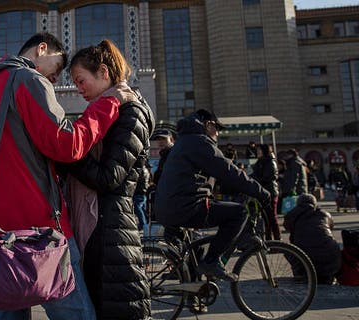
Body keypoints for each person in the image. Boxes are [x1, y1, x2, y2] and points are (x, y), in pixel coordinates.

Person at [0, 32, 124, 319]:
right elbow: (66, 144)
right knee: (74, 314)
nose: (56, 78)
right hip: (39, 230)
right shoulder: (29, 80)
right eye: (58, 68)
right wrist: (109, 104)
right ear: (42, 49)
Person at [65, 39, 153, 319]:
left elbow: (109, 177)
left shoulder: (131, 112)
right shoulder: (108, 111)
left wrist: (69, 154)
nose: (79, 90)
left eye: (81, 81)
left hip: (111, 230)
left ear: (103, 72)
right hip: (101, 229)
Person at [154, 109, 272, 282]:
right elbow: (228, 170)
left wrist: (241, 189)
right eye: (217, 128)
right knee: (239, 213)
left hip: (169, 206)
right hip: (185, 207)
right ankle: (212, 261)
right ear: (208, 124)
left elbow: (219, 179)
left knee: (195, 253)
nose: (218, 133)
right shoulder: (199, 142)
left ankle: (194, 295)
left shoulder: (186, 140)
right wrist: (261, 192)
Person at [283, 194, 341, 284]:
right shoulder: (324, 214)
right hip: (330, 262)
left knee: (287, 250)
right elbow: (331, 227)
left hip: (306, 261)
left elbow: (287, 226)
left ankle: (301, 273)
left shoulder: (292, 213)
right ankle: (328, 274)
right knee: (330, 244)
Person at [251, 144, 281, 240]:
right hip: (263, 193)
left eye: (259, 151)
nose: (257, 152)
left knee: (272, 218)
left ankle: (277, 240)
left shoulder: (271, 162)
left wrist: (255, 179)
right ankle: (269, 240)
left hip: (270, 192)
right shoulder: (260, 162)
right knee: (266, 219)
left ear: (265, 151)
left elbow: (267, 177)